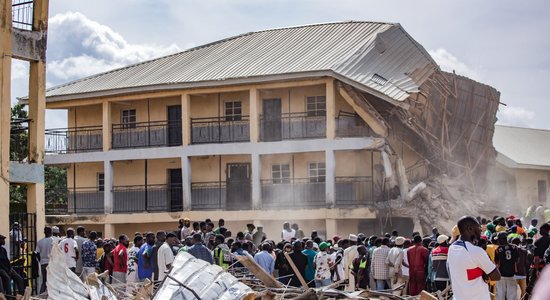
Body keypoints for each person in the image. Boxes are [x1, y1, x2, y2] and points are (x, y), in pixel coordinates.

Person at [448, 216, 501, 300]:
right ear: (470, 228)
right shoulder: (476, 251)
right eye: (478, 227)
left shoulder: (451, 248)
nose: (481, 230)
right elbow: (496, 276)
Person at [494, 231, 518, 300]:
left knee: (500, 297)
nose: (498, 241)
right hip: (511, 275)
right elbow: (517, 260)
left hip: (501, 276)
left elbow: (497, 263)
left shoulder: (497, 249)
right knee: (512, 297)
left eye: (498, 239)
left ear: (502, 239)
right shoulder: (515, 247)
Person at [36, 226, 54, 293]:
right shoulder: (53, 240)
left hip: (43, 263)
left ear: (44, 232)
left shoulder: (40, 242)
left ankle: (41, 294)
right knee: (52, 281)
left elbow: (37, 253)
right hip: (51, 263)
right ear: (51, 232)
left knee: (44, 281)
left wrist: (40, 260)